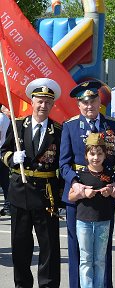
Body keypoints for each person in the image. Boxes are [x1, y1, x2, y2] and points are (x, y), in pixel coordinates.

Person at [59, 80, 115, 288]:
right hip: (78, 196)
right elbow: (63, 163)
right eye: (84, 102)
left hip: (105, 195)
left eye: (93, 100)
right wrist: (75, 183)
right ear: (78, 105)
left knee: (101, 251)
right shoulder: (70, 127)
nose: (89, 106)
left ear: (100, 102)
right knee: (77, 250)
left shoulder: (114, 126)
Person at [1, 78, 62, 287]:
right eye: (39, 101)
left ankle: (48, 285)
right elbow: (3, 151)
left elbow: (63, 163)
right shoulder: (18, 126)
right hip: (20, 193)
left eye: (47, 102)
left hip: (46, 195)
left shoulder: (58, 131)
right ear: (32, 102)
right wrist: (12, 159)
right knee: (20, 247)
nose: (43, 105)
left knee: (49, 248)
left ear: (52, 104)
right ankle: (22, 284)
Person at [68, 133, 115, 288]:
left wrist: (110, 191)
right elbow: (70, 196)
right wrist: (82, 193)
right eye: (92, 154)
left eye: (99, 154)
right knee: (86, 260)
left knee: (100, 261)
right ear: (86, 155)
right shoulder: (80, 175)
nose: (96, 158)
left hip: (103, 221)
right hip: (84, 222)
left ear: (105, 155)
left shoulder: (109, 173)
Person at [0, 103, 11, 216]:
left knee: (4, 182)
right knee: (5, 182)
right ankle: (8, 205)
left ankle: (8, 205)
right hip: (3, 153)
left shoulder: (1, 118)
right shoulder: (6, 118)